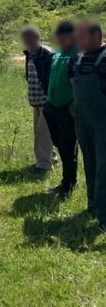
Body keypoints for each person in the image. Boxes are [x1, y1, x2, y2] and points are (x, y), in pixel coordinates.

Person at [69, 19, 106, 227]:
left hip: (104, 121)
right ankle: (93, 204)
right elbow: (70, 74)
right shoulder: (78, 56)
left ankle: (104, 212)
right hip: (83, 120)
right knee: (90, 161)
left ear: (95, 36)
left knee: (104, 165)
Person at [44, 21, 78, 200]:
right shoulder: (58, 53)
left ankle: (69, 184)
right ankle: (68, 179)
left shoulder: (78, 53)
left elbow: (81, 84)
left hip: (67, 109)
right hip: (52, 106)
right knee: (60, 144)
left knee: (68, 148)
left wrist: (73, 106)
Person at [21, 25, 56, 172]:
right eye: (25, 38)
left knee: (43, 131)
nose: (27, 41)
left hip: (47, 99)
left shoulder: (48, 53)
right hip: (35, 100)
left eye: (30, 38)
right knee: (42, 130)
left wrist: (52, 97)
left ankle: (43, 164)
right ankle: (51, 156)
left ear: (37, 38)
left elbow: (54, 78)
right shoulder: (30, 53)